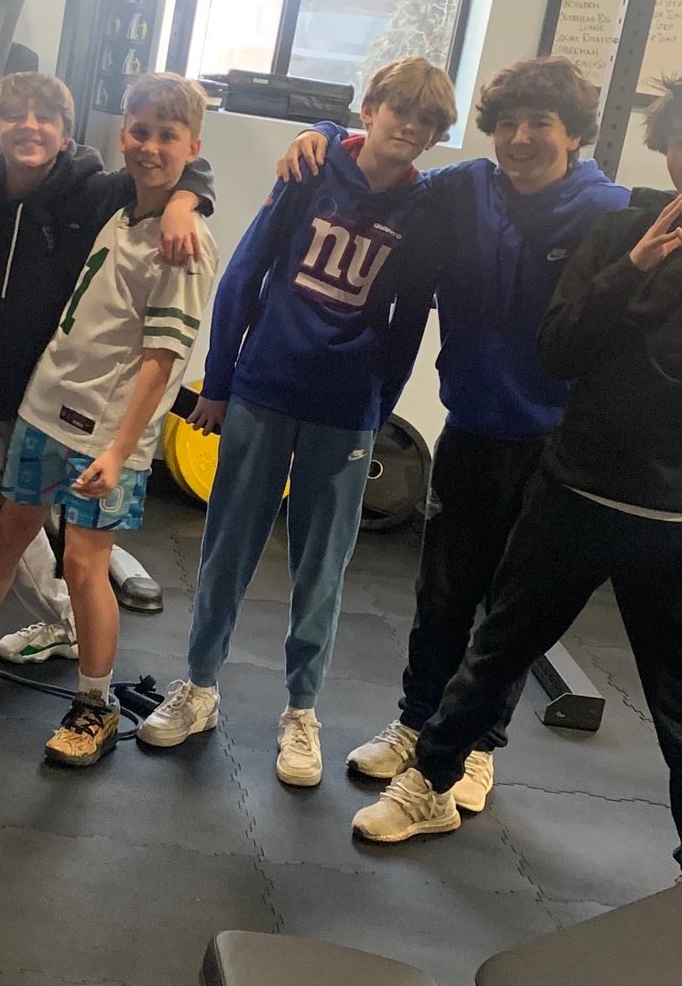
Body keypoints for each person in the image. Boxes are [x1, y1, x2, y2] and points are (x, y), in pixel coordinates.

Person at [275, 56, 682, 817]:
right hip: (472, 425)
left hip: (555, 448)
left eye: (540, 124)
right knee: (442, 594)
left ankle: (480, 747)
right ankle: (420, 724)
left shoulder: (608, 208)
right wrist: (324, 132)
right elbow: (390, 163)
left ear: (575, 133)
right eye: (508, 124)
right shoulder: (462, 191)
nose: (521, 139)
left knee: (508, 612)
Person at [135, 57, 452, 786]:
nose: (409, 126)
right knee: (227, 549)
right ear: (370, 109)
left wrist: (379, 410)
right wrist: (218, 381)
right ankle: (200, 686)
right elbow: (246, 272)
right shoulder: (310, 169)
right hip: (264, 390)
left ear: (436, 136)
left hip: (345, 413)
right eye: (398, 109)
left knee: (322, 569)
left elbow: (407, 325)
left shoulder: (427, 207)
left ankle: (301, 711)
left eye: (427, 121)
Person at [0, 69, 208, 703]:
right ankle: (63, 619)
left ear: (67, 133)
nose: (29, 127)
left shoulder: (91, 192)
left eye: (45, 119)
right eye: (15, 116)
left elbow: (173, 167)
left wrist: (189, 199)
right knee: (8, 527)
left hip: (31, 402)